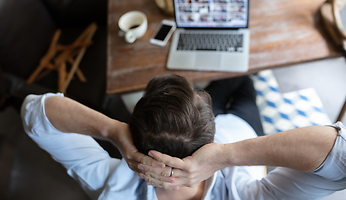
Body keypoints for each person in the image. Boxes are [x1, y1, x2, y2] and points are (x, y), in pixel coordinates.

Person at [21, 74, 346, 199]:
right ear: (209, 142)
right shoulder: (246, 195)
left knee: (217, 87)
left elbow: (35, 112)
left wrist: (114, 132)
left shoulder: (108, 182)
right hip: (242, 129)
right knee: (244, 82)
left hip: (194, 127)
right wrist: (224, 156)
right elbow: (340, 157)